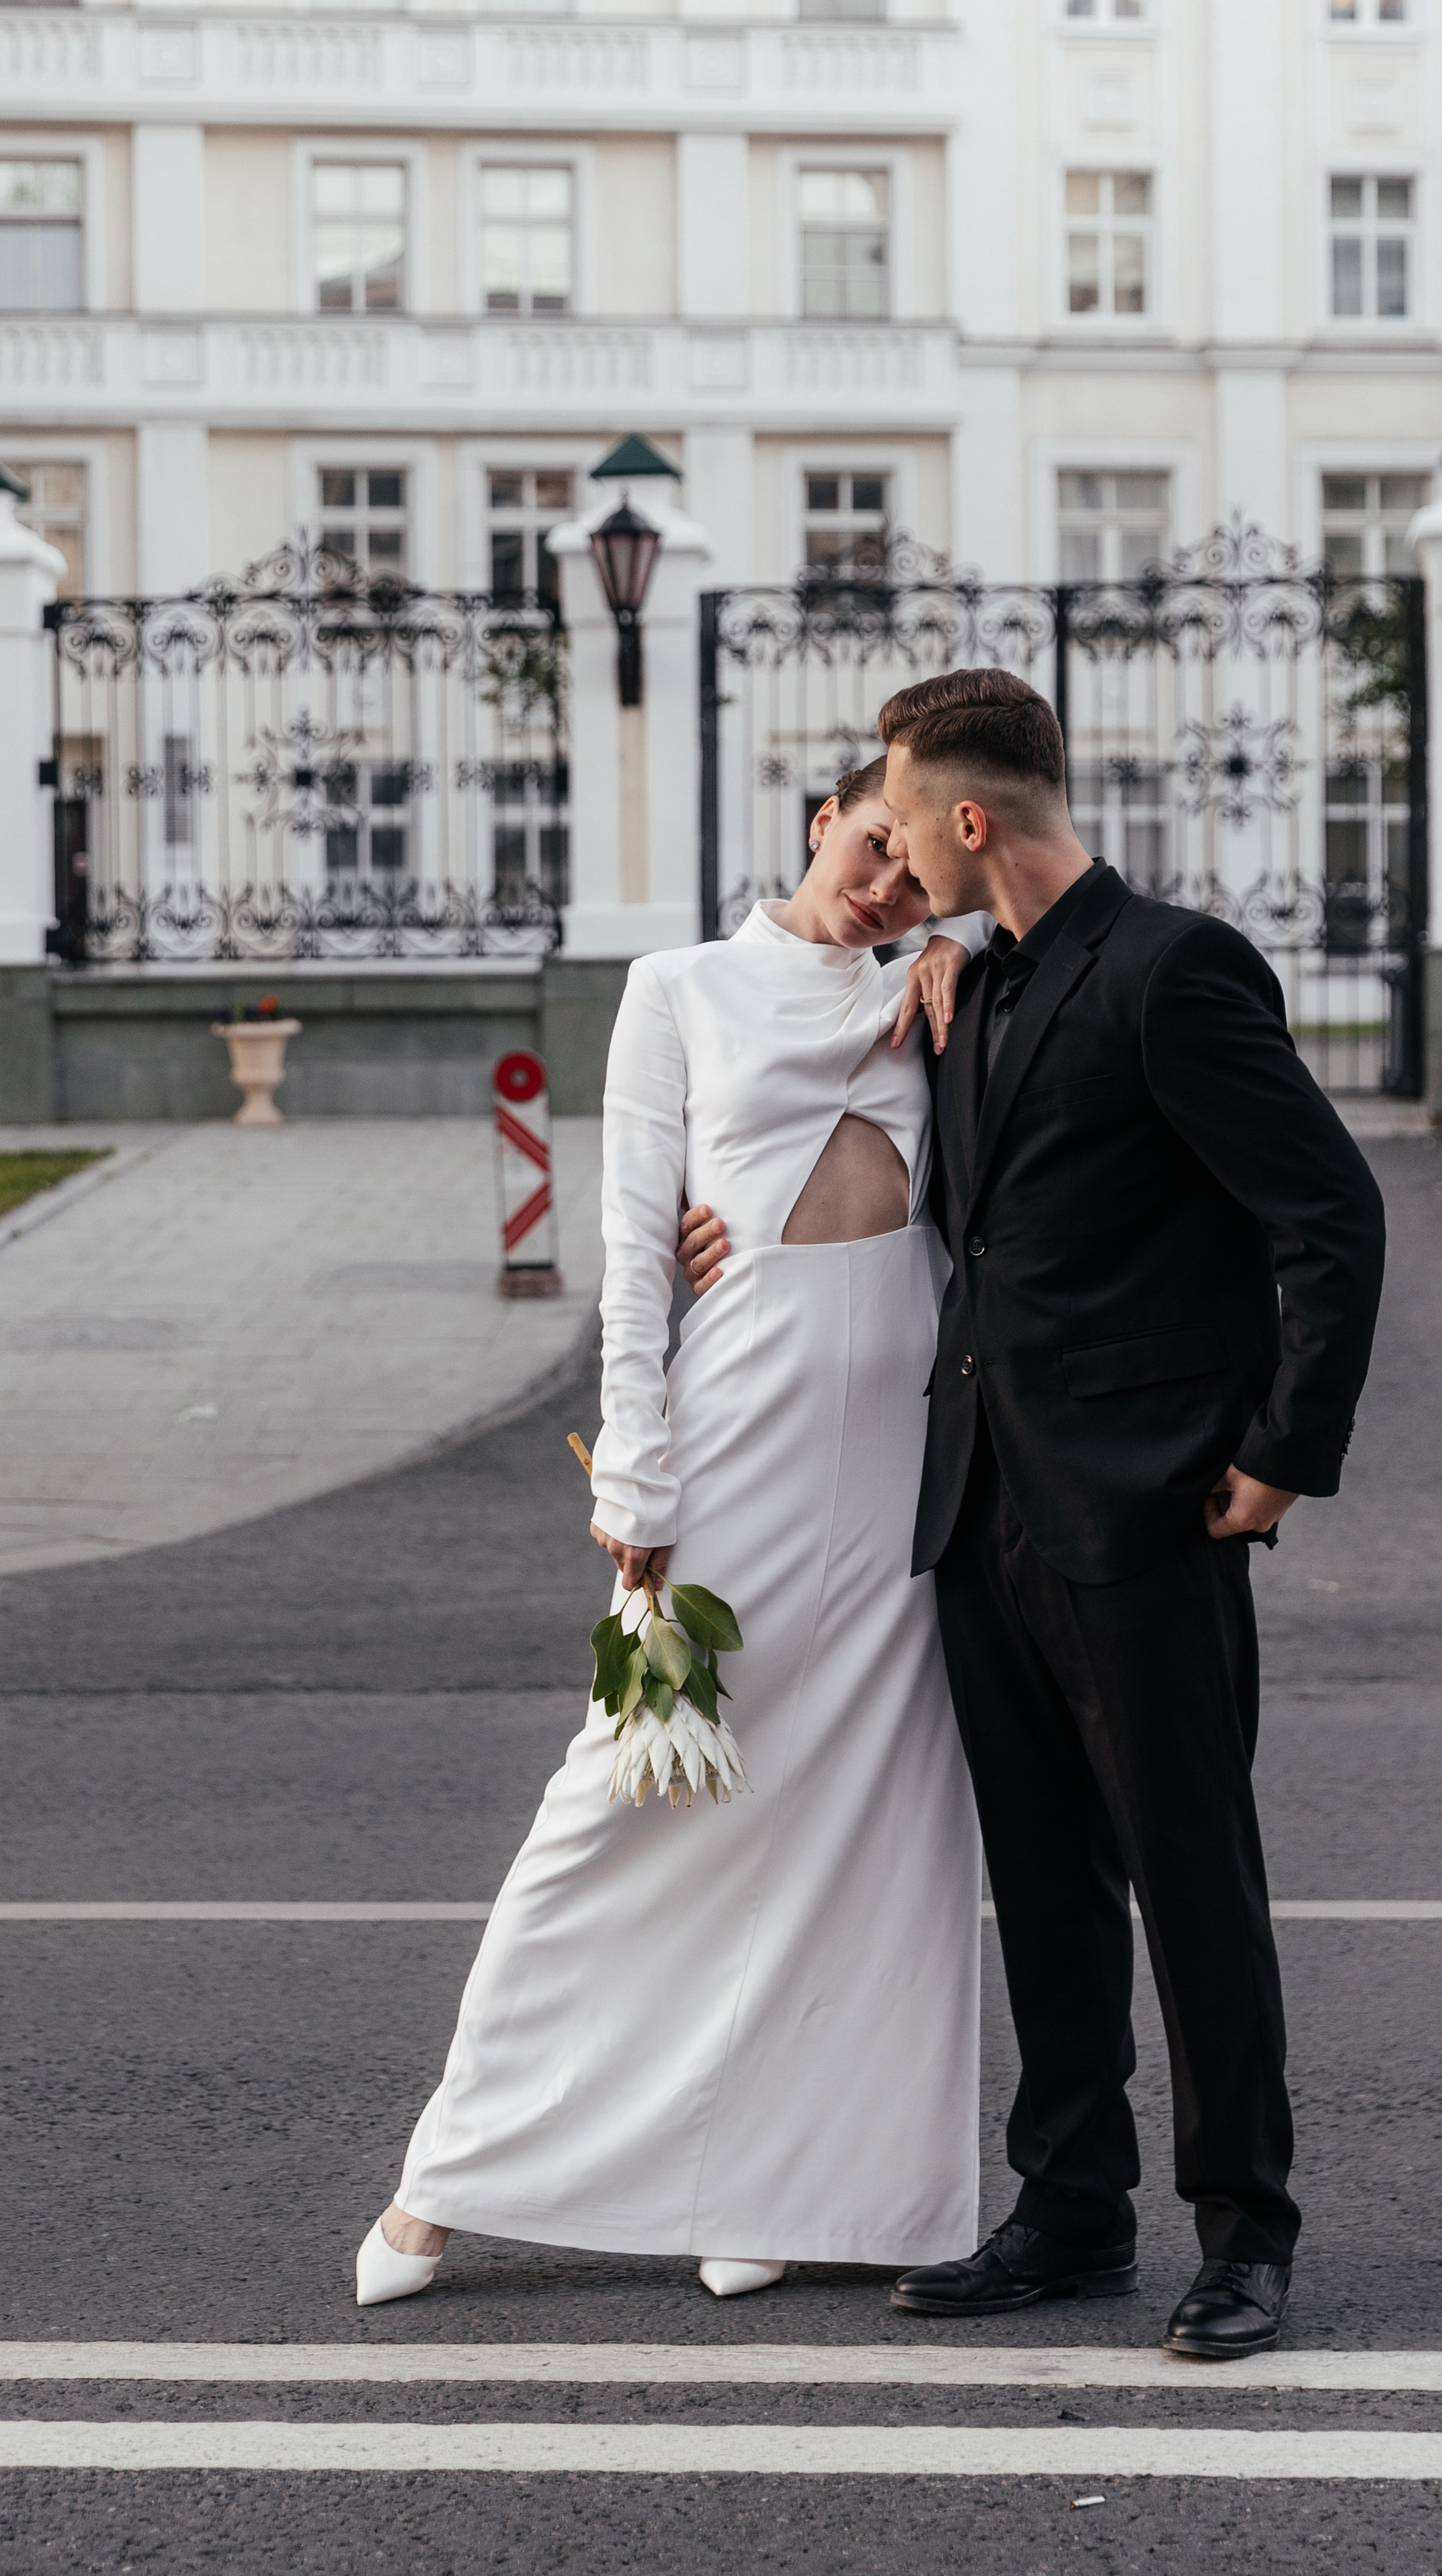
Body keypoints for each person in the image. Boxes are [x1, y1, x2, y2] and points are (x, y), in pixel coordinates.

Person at [681, 668, 1386, 2361]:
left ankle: (1242, 2235)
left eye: (905, 816)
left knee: (1188, 1879)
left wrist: (1284, 1452)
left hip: (1146, 1516)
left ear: (968, 818)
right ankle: (1071, 2205)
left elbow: (1329, 1215)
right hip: (979, 1506)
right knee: (1043, 1888)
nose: (894, 849)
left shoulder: (1172, 973)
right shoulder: (964, 985)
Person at [355, 759, 990, 2306]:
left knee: (860, 1818)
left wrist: (963, 949)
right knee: (624, 1795)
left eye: (913, 875)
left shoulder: (937, 984)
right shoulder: (680, 988)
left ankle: (778, 2176)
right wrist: (633, 1475)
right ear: (815, 824)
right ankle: (447, 2175)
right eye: (864, 848)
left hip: (910, 1441)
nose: (882, 888)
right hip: (743, 1431)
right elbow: (635, 1250)